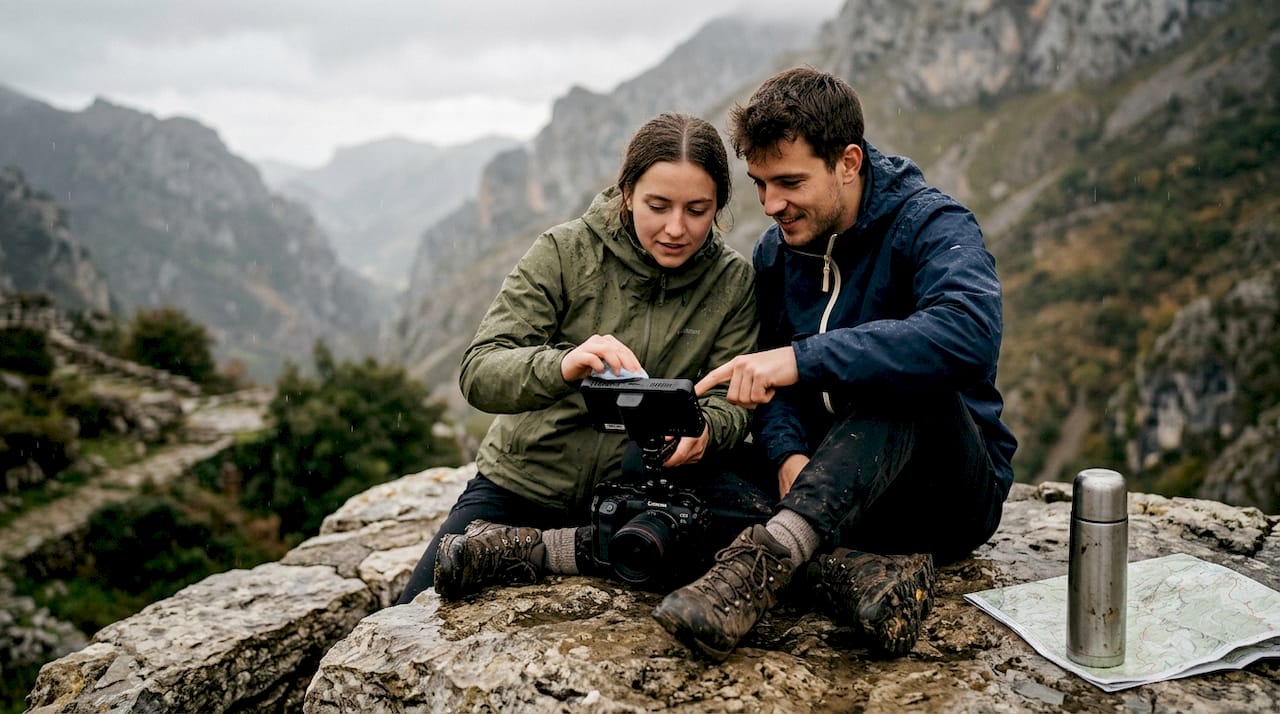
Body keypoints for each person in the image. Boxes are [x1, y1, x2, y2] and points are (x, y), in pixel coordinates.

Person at [652, 67, 1018, 661]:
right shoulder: (776, 254)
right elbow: (772, 390)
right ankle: (846, 571)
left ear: (848, 162)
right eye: (760, 184)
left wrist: (802, 359)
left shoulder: (930, 225)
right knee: (674, 457)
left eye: (790, 182)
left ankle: (760, 568)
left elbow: (968, 335)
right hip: (828, 488)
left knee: (900, 379)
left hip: (940, 495)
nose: (771, 204)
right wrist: (788, 455)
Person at [395, 112, 765, 605]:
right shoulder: (564, 251)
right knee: (417, 610)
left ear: (718, 205)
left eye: (697, 210)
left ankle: (560, 549)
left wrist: (707, 430)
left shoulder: (732, 282)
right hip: (521, 484)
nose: (676, 228)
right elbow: (480, 370)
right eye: (657, 206)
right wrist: (564, 364)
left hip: (638, 497)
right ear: (627, 193)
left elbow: (730, 396)